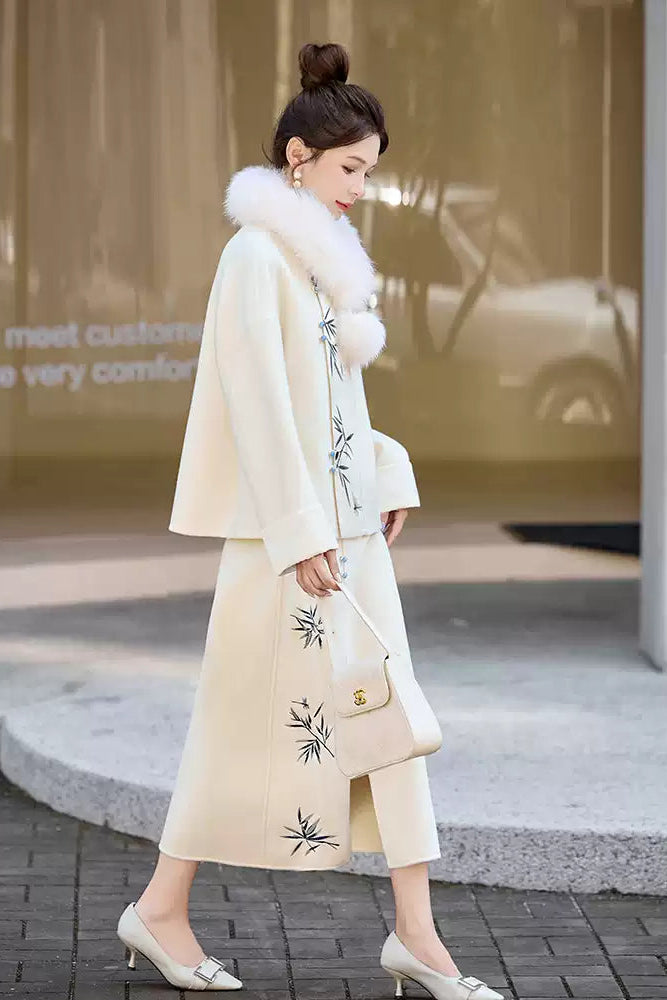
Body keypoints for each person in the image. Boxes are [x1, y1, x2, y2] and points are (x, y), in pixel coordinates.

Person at [116, 41, 503, 1000]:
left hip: (344, 536)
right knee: (237, 726)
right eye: (349, 169)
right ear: (298, 156)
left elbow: (335, 406)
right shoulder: (254, 256)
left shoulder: (320, 269)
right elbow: (258, 404)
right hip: (288, 547)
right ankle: (161, 908)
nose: (361, 191)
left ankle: (417, 932)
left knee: (388, 720)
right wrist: (301, 537)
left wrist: (385, 471)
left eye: (369, 173)